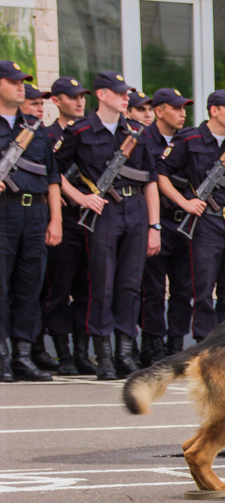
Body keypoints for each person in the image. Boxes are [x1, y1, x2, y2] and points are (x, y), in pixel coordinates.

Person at [54, 70, 161, 380]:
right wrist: (80, 197)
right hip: (103, 213)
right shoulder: (81, 131)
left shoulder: (136, 131)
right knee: (102, 284)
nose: (126, 97)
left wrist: (155, 226)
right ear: (101, 95)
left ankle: (124, 351)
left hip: (136, 210)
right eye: (119, 92)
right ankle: (103, 356)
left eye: (126, 92)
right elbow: (54, 170)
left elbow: (150, 180)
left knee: (130, 285)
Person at [157, 89, 225, 342]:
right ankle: (203, 345)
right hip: (205, 223)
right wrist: (184, 202)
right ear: (214, 111)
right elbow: (161, 173)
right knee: (202, 291)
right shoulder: (190, 140)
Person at [0, 61, 61, 382]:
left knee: (30, 284)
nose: (20, 86)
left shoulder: (34, 127)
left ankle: (23, 354)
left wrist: (56, 220)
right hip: (3, 212)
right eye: (12, 81)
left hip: (35, 212)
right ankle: (2, 355)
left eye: (22, 81)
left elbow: (52, 177)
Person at [41, 76, 92, 375]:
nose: (79, 102)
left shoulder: (88, 132)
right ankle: (64, 355)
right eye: (71, 97)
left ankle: (83, 353)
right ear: (56, 101)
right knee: (59, 288)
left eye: (81, 97)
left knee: (87, 288)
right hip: (65, 219)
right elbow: (51, 173)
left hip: (93, 221)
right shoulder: (46, 136)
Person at [139, 87, 194, 365]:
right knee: (153, 289)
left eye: (184, 108)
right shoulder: (143, 138)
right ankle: (152, 345)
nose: (182, 113)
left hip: (184, 224)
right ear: (159, 111)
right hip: (157, 222)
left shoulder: (188, 139)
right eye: (175, 108)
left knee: (184, 288)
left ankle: (176, 343)